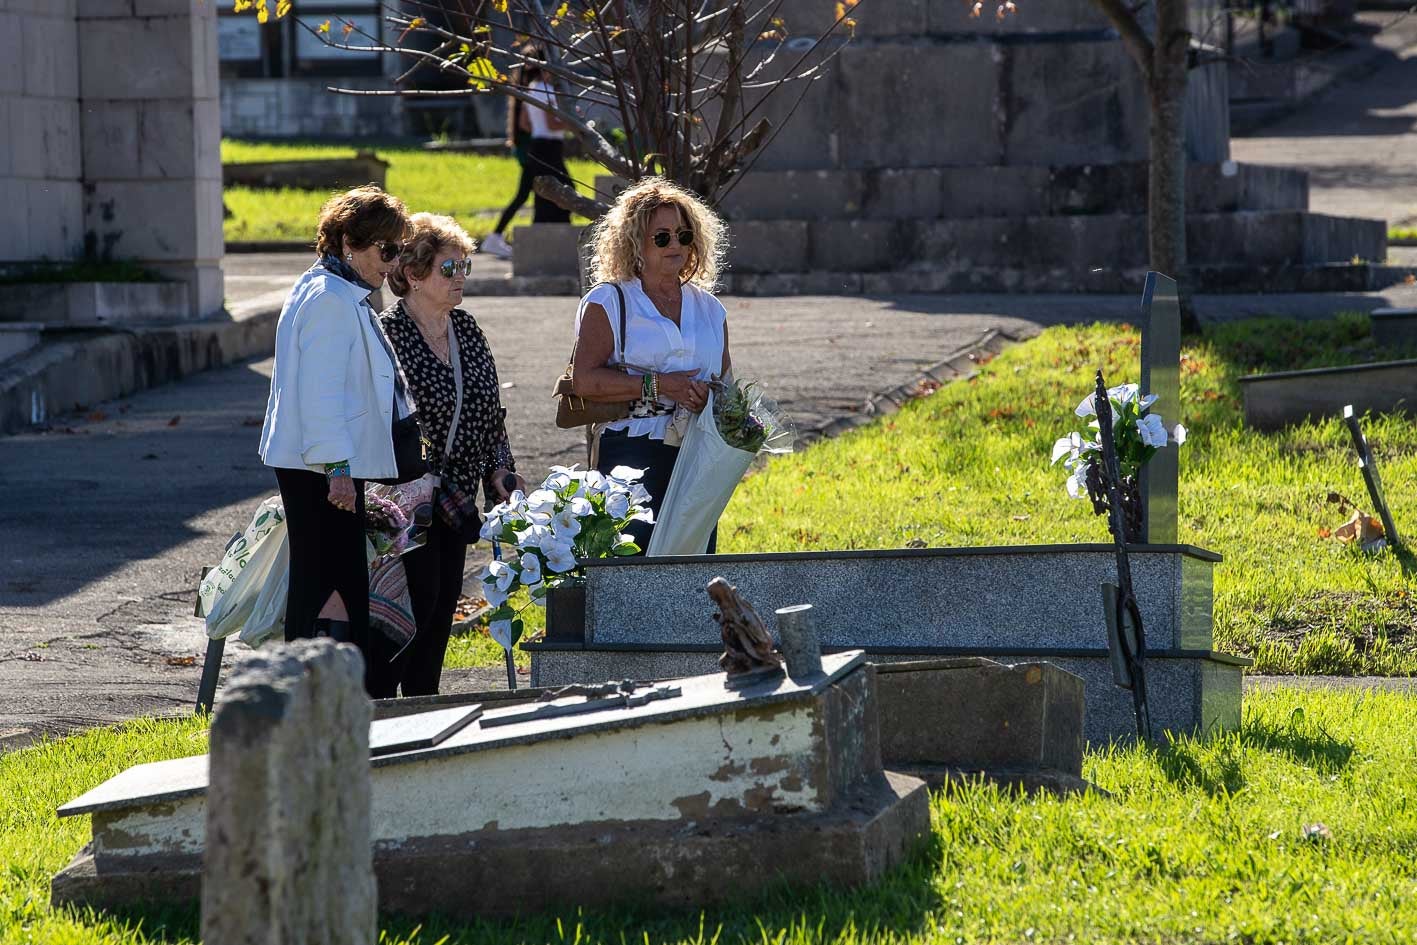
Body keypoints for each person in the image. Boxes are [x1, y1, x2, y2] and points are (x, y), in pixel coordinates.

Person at [258, 184, 411, 696]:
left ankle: (322, 695)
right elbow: (320, 394)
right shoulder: (329, 298)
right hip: (322, 467)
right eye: (385, 251)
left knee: (332, 575)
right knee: (330, 578)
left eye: (398, 251)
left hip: (319, 465)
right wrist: (339, 470)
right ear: (350, 242)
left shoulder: (331, 288)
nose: (392, 264)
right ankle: (317, 698)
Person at [380, 213, 524, 696]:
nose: (460, 276)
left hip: (455, 500)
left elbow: (490, 409)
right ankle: (386, 706)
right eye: (449, 268)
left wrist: (500, 470)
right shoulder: (389, 334)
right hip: (407, 501)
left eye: (464, 266)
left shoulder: (467, 329)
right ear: (415, 275)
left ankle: (423, 702)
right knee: (412, 608)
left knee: (441, 609)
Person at [568, 177, 730, 553]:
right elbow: (585, 380)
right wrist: (659, 385)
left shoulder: (710, 309)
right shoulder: (609, 302)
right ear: (635, 244)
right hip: (631, 453)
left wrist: (713, 399)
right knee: (634, 565)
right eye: (662, 237)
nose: (675, 245)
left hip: (696, 454)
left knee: (694, 565)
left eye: (683, 235)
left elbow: (727, 386)